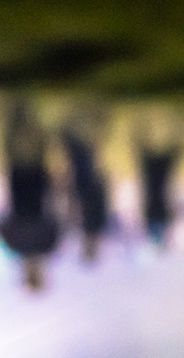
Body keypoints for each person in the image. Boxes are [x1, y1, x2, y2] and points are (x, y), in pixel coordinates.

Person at [0, 98, 59, 290]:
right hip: (36, 195)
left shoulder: (17, 247)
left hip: (21, 196)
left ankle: (16, 114)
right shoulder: (44, 247)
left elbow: (3, 224)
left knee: (17, 158)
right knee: (36, 156)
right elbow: (54, 220)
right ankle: (26, 115)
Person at [60, 102, 110, 262]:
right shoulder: (93, 227)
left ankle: (83, 113)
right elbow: (101, 204)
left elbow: (72, 207)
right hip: (88, 186)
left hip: (83, 187)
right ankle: (91, 113)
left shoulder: (81, 229)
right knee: (83, 151)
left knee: (81, 152)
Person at [135, 118, 184, 247]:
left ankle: (146, 124)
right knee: (151, 154)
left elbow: (168, 208)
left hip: (156, 186)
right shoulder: (154, 223)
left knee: (153, 155)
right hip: (155, 186)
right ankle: (173, 125)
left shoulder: (160, 223)